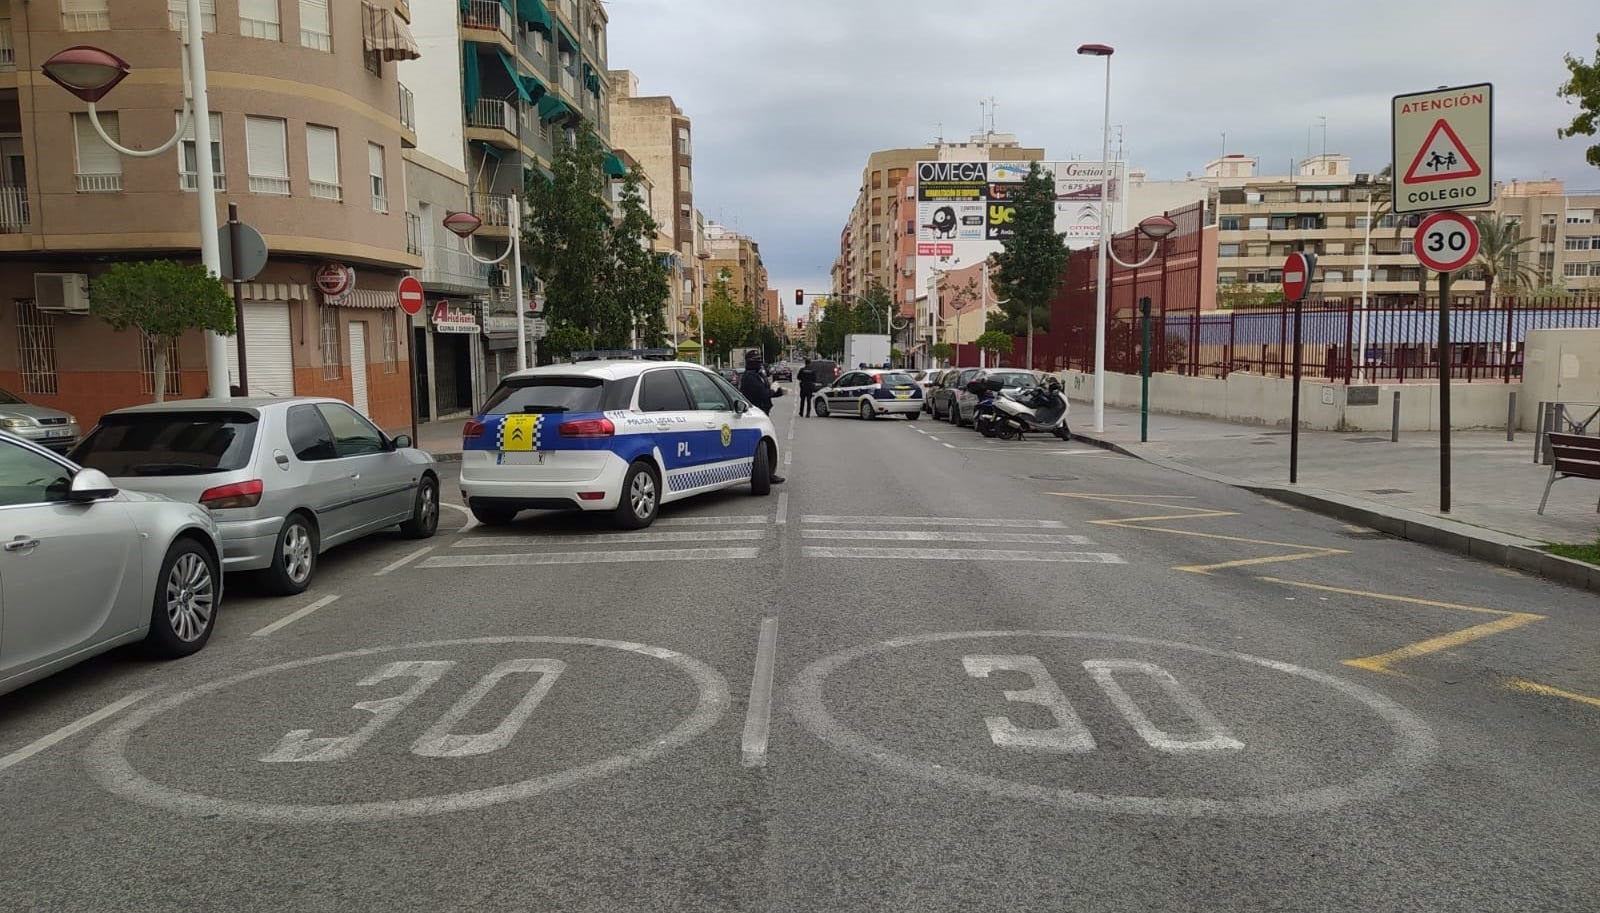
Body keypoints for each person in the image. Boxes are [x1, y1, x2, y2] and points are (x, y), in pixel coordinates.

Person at [738, 350, 785, 484]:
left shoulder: (759, 375)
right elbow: (762, 393)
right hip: (755, 414)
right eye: (756, 360)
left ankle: (768, 472)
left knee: (767, 443)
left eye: (759, 360)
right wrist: (772, 390)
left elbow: (767, 391)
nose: (759, 363)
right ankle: (764, 474)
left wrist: (778, 392)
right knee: (762, 444)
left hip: (763, 413)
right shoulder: (749, 377)